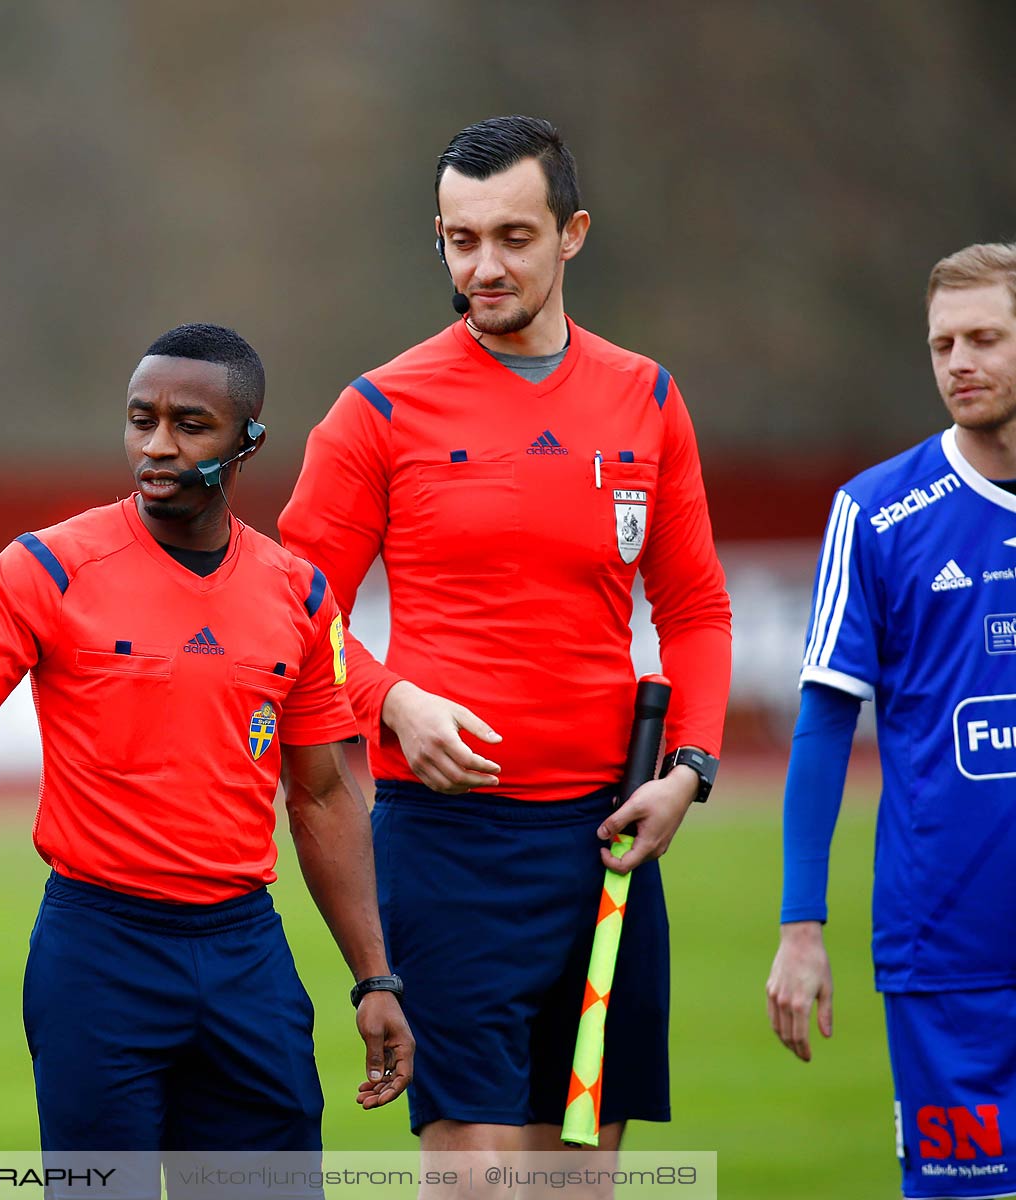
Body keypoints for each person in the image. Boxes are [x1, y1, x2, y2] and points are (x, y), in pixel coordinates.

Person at [278, 115, 732, 1183]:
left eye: (514, 237)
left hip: (608, 846)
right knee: (479, 1173)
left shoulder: (648, 398)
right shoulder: (377, 411)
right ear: (436, 237)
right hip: (447, 851)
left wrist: (691, 772)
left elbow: (698, 607)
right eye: (461, 238)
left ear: (572, 234)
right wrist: (389, 702)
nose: (484, 265)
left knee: (578, 1178)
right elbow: (295, 620)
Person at [0, 324, 413, 1171]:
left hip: (245, 952)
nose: (157, 445)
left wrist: (375, 977)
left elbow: (324, 797)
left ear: (247, 440)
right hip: (98, 951)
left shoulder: (300, 594)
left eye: (190, 425)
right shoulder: (46, 566)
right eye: (140, 419)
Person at [768, 242, 1016, 1200]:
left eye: (986, 339)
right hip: (947, 949)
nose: (959, 361)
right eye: (942, 343)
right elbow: (825, 726)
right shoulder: (878, 514)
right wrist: (801, 925)